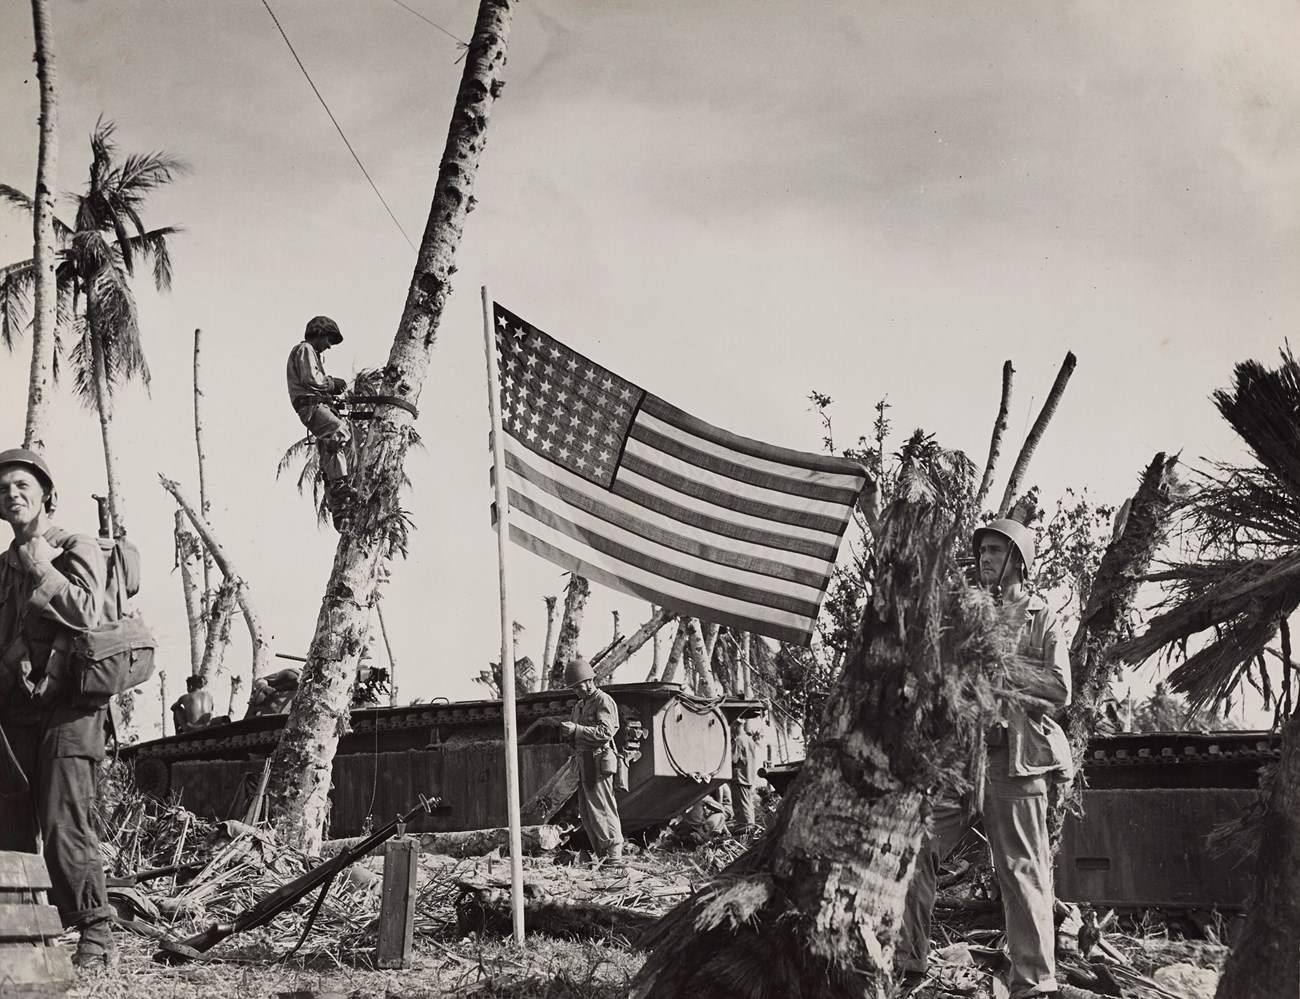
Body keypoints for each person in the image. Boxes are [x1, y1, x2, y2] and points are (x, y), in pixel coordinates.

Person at [899, 518, 1072, 999]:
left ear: (1018, 559)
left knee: (1022, 871)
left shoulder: (1042, 618)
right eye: (983, 551)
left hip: (1015, 762)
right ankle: (907, 962)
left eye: (996, 550)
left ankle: (1035, 984)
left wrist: (1002, 667)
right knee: (915, 847)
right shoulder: (969, 615)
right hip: (960, 759)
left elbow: (1059, 688)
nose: (985, 558)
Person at [0, 448, 116, 970]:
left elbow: (92, 613)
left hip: (70, 707)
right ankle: (24, 940)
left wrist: (43, 566)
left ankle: (95, 934)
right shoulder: (2, 568)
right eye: (3, 491)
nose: (11, 495)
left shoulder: (74, 545)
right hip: (16, 709)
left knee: (65, 823)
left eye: (22, 485)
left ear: (45, 493)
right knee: (10, 828)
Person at [286, 316, 352, 524]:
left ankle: (338, 508)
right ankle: (339, 484)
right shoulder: (304, 349)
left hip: (316, 405)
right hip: (311, 406)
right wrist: (332, 384)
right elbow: (311, 379)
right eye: (329, 340)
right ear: (319, 334)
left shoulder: (312, 354)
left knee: (330, 448)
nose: (329, 346)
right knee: (339, 432)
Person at [559, 655, 624, 863]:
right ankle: (603, 857)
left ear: (590, 681)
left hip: (598, 762)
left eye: (580, 686)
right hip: (584, 763)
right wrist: (570, 735)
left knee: (603, 809)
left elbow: (606, 732)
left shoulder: (602, 700)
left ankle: (614, 858)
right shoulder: (578, 707)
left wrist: (577, 729)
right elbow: (577, 737)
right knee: (588, 814)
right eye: (574, 688)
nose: (578, 691)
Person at [729, 719, 760, 833]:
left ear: (736, 727)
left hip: (740, 777)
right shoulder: (749, 740)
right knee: (747, 803)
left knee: (740, 805)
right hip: (749, 776)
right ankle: (750, 827)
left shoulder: (739, 740)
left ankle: (746, 828)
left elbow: (732, 759)